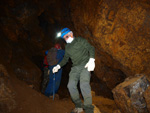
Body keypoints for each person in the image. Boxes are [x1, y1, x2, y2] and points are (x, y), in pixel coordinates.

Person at [53, 28, 95, 113]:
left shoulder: (80, 40)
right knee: (70, 85)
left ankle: (88, 109)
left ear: (71, 34)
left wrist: (91, 60)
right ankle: (79, 106)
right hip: (75, 68)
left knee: (84, 84)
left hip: (85, 65)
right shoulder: (67, 47)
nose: (66, 38)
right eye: (64, 38)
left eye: (67, 36)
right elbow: (65, 59)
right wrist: (58, 66)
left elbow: (91, 48)